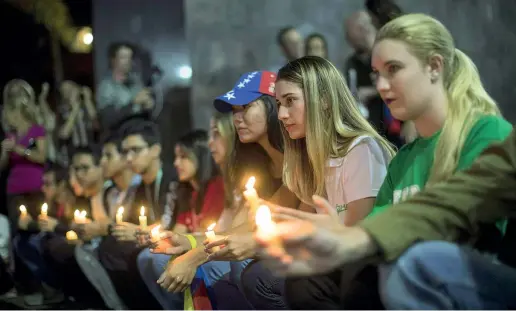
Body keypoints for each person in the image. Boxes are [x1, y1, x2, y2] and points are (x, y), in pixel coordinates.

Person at [257, 12, 514, 309]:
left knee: (411, 264)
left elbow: (461, 208)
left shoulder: (487, 132)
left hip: (475, 273)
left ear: (434, 66)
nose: (380, 85)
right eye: (377, 73)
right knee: (309, 279)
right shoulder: (403, 159)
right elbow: (380, 226)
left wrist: (349, 237)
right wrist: (340, 236)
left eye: (394, 69)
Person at [240, 56, 395, 309]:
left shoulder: (361, 149)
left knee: (267, 279)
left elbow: (360, 230)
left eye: (290, 101)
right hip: (332, 254)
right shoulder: (312, 157)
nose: (281, 114)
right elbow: (304, 220)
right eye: (279, 104)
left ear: (323, 99)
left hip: (361, 262)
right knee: (252, 272)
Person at [137, 129, 226, 309]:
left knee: (158, 259)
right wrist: (157, 237)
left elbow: (212, 234)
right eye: (176, 157)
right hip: (193, 245)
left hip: (211, 249)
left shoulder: (216, 187)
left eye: (184, 157)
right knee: (146, 256)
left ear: (200, 157)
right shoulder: (187, 191)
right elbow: (178, 232)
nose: (176, 163)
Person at [1, 79, 47, 236]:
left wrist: (21, 151)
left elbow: (42, 157)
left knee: (37, 231)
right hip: (14, 191)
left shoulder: (37, 131)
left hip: (35, 188)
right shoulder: (9, 135)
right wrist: (5, 151)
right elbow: (2, 166)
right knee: (18, 234)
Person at [97, 42, 154, 131]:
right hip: (117, 137)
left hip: (139, 133)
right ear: (113, 60)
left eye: (130, 57)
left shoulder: (136, 83)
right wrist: (133, 103)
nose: (128, 61)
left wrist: (148, 107)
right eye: (123, 57)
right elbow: (108, 119)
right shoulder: (106, 87)